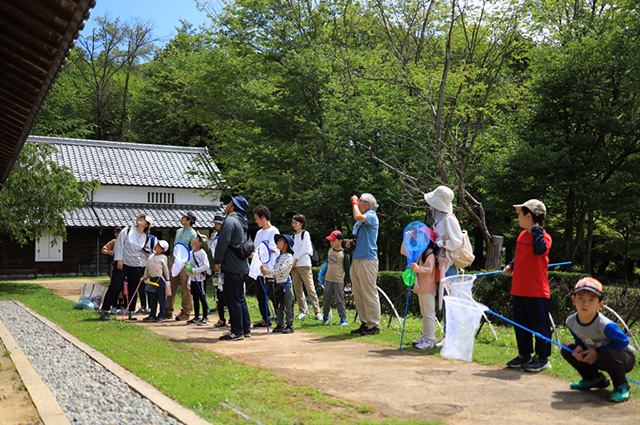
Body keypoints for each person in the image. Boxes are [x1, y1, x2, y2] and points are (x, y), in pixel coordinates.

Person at [561, 277, 636, 402]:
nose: (585, 304)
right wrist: (579, 346)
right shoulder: (571, 321)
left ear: (600, 305)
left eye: (591, 300)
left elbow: (623, 341)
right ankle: (593, 379)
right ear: (573, 300)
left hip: (621, 358)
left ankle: (621, 386)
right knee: (567, 349)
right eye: (581, 298)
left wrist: (598, 352)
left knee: (606, 353)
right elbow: (578, 337)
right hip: (596, 355)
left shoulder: (605, 325)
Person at [503, 199, 553, 372]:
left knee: (539, 326)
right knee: (521, 325)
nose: (518, 217)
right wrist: (511, 265)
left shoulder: (544, 236)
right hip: (519, 288)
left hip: (536, 290)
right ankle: (524, 354)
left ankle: (543, 357)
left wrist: (537, 230)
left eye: (520, 213)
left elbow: (540, 250)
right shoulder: (522, 235)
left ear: (529, 215)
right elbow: (522, 256)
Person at [99, 213, 155, 321]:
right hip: (123, 263)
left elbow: (147, 253)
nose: (141, 219)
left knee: (133, 289)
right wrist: (119, 259)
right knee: (115, 285)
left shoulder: (146, 238)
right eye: (141, 218)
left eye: (144, 219)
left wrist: (145, 268)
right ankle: (105, 310)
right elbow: (119, 244)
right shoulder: (127, 230)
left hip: (136, 266)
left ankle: (131, 311)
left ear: (147, 225)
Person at [213, 195, 252, 341]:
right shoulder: (243, 222)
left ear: (234, 206)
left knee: (233, 299)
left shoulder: (230, 221)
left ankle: (236, 331)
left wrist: (217, 260)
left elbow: (223, 242)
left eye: (229, 203)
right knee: (240, 298)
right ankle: (245, 328)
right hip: (242, 267)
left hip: (232, 267)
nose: (227, 205)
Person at [346, 193, 381, 335]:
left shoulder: (372, 215)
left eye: (360, 201)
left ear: (367, 204)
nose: (358, 203)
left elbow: (357, 216)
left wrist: (353, 203)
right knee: (359, 293)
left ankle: (374, 325)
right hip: (358, 258)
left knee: (369, 292)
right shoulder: (361, 221)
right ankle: (365, 323)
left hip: (368, 259)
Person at [401, 234, 438, 350]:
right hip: (421, 288)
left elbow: (429, 269)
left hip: (428, 288)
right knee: (424, 313)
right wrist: (406, 237)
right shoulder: (420, 253)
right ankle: (426, 336)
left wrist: (417, 268)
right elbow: (404, 250)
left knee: (429, 314)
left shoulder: (430, 253)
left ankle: (430, 339)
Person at [249, 205, 279, 328]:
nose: (255, 221)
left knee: (273, 295)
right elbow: (256, 248)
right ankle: (265, 318)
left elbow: (273, 248)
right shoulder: (258, 233)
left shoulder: (274, 231)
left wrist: (259, 254)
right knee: (260, 296)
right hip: (259, 270)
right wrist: (254, 255)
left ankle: (279, 317)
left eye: (257, 218)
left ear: (263, 217)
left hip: (270, 269)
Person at [167, 211, 198, 321]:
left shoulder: (193, 233)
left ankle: (186, 311)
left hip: (186, 263)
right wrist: (171, 261)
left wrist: (189, 266)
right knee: (171, 286)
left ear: (189, 220)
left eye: (184, 217)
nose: (182, 218)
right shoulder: (179, 231)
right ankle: (168, 309)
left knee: (186, 287)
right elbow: (175, 247)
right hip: (176, 263)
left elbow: (193, 250)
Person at [291, 214, 322, 320]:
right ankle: (302, 311)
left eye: (296, 222)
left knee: (310, 288)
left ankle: (317, 311)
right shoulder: (292, 236)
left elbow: (304, 250)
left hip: (304, 264)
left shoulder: (305, 234)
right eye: (293, 222)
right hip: (294, 266)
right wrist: (292, 263)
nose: (294, 225)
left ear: (301, 223)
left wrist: (294, 261)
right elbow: (292, 251)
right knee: (298, 289)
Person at [263, 234, 295, 334]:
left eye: (280, 241)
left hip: (286, 283)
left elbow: (283, 269)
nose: (278, 243)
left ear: (286, 244)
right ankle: (280, 324)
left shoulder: (289, 256)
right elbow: (275, 269)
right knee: (279, 305)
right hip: (278, 283)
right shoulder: (278, 257)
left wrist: (268, 273)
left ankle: (290, 325)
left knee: (288, 305)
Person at [321, 230, 350, 326]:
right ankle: (325, 317)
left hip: (339, 280)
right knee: (326, 299)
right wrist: (323, 273)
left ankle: (343, 319)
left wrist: (348, 282)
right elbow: (327, 264)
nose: (332, 243)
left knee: (340, 299)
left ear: (341, 241)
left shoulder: (344, 254)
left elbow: (347, 268)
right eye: (330, 241)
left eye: (334, 240)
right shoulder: (330, 250)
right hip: (328, 279)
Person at [141, 240, 170, 323]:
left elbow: (165, 269)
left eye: (158, 246)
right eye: (156, 244)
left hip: (160, 279)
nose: (156, 246)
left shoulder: (163, 257)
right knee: (152, 298)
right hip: (151, 280)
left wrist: (167, 280)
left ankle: (161, 315)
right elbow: (147, 268)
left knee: (161, 298)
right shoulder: (151, 257)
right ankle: (152, 314)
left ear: (162, 250)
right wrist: (145, 277)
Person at [187, 233, 211, 326]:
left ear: (199, 243)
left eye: (197, 238)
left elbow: (206, 265)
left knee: (202, 297)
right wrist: (187, 268)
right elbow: (188, 263)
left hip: (200, 278)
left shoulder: (202, 253)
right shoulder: (191, 252)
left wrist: (195, 270)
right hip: (193, 278)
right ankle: (196, 316)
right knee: (195, 298)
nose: (194, 238)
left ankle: (205, 317)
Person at [210, 215, 228, 328]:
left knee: (230, 295)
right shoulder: (215, 238)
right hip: (219, 269)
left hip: (228, 268)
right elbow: (213, 251)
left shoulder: (227, 234)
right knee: (219, 295)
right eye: (215, 224)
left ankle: (232, 319)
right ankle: (221, 319)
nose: (216, 226)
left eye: (218, 223)